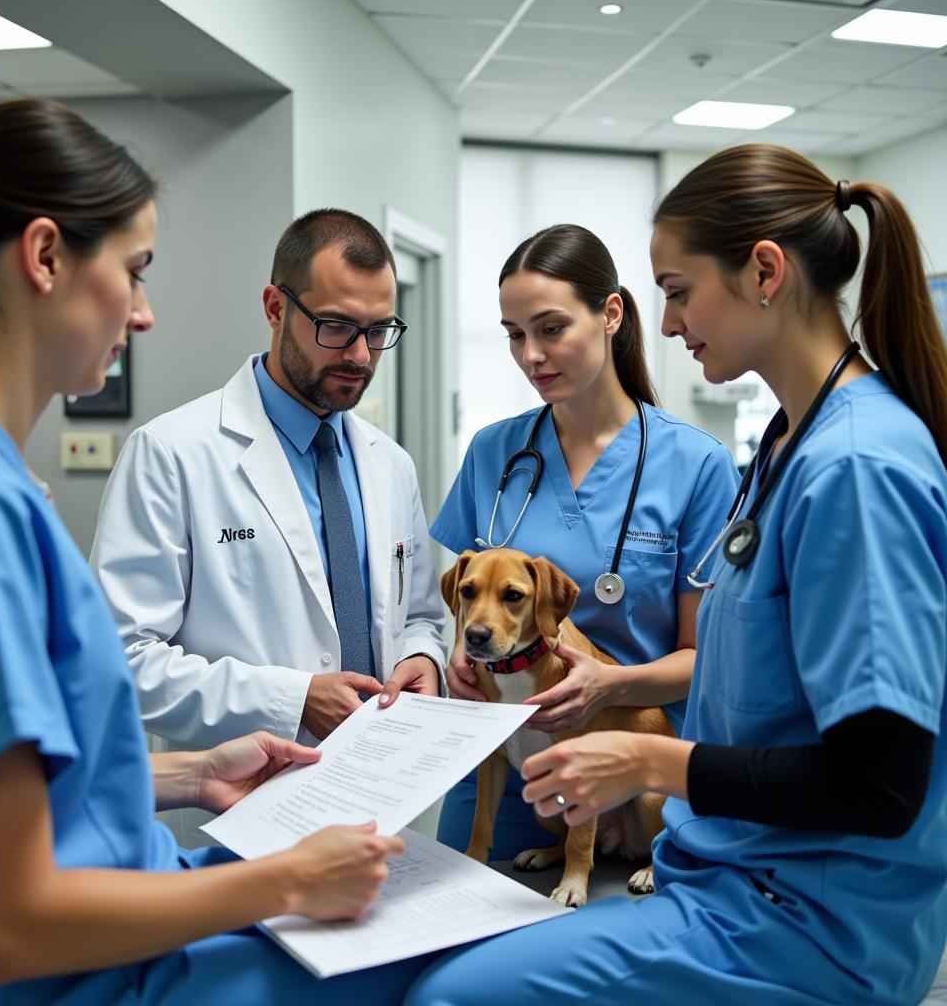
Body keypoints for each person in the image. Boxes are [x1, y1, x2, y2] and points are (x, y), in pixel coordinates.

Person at [405, 146, 947, 1006]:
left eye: (678, 291)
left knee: (448, 996)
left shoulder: (852, 466)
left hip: (793, 905)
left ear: (765, 271)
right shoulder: (783, 448)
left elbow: (879, 782)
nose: (666, 324)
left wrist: (647, 758)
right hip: (717, 859)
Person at [0, 98, 436, 1004]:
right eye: (136, 270)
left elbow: (34, 774)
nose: (147, 313)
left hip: (145, 889)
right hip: (90, 970)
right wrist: (284, 881)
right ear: (44, 257)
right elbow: (5, 923)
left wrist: (195, 774)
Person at [90, 209, 446, 770]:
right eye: (336, 327)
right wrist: (291, 698)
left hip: (375, 782)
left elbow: (421, 615)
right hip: (236, 802)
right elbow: (121, 658)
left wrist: (425, 656)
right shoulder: (171, 453)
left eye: (378, 331)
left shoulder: (391, 465)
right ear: (275, 308)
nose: (360, 355)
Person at [430, 224, 740, 859]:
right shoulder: (495, 453)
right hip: (498, 773)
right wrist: (458, 661)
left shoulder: (695, 464)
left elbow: (702, 661)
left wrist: (608, 686)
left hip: (625, 780)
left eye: (550, 328)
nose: (531, 356)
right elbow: (463, 607)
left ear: (611, 314)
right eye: (514, 335)